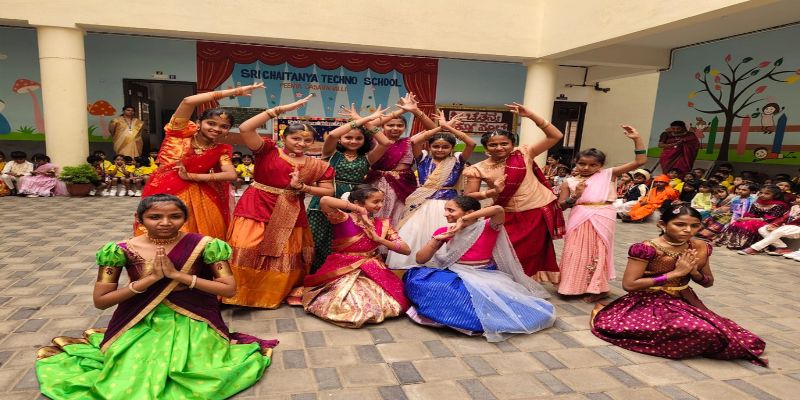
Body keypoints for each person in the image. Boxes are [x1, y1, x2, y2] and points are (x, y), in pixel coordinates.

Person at [35, 195, 277, 399]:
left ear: (185, 218)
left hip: (193, 319)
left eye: (175, 216)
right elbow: (101, 301)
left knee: (192, 366)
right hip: (140, 319)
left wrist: (177, 276)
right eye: (155, 217)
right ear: (139, 219)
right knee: (131, 366)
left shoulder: (206, 245)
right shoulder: (119, 250)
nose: (165, 223)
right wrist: (150, 279)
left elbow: (228, 289)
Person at [591, 205, 767, 367]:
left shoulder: (700, 247)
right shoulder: (647, 248)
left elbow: (708, 283)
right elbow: (629, 284)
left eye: (695, 226)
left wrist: (694, 272)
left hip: (684, 299)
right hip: (648, 301)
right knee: (695, 329)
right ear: (662, 224)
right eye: (680, 224)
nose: (688, 230)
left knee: (723, 332)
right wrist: (674, 274)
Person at [225, 96, 335, 309]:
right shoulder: (267, 150)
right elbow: (245, 128)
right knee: (246, 246)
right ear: (284, 137)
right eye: (296, 138)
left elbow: (328, 190)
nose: (301, 143)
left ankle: (271, 294)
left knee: (282, 254)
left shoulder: (317, 165)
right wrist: (279, 110)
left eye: (307, 140)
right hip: (256, 204)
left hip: (290, 210)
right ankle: (239, 292)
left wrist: (303, 188)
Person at [403, 197, 556, 341]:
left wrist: (462, 221)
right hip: (454, 273)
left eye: (451, 210)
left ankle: (465, 320)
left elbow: (498, 209)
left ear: (469, 213)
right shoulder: (445, 231)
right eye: (446, 210)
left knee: (471, 299)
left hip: (483, 275)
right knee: (417, 279)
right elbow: (420, 259)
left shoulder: (489, 227)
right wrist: (436, 240)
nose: (445, 214)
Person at [140, 85, 260, 238]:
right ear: (198, 123)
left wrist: (192, 176)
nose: (217, 128)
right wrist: (234, 92)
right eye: (211, 123)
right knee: (162, 231)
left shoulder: (220, 150)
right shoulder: (178, 134)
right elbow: (188, 101)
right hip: (165, 193)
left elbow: (230, 174)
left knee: (203, 235)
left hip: (201, 196)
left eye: (224, 126)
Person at [463, 103, 565, 283]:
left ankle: (526, 285)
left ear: (512, 144)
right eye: (493, 145)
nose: (499, 147)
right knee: (503, 250)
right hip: (505, 213)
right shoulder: (478, 168)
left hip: (535, 210)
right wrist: (493, 192)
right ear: (486, 148)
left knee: (531, 252)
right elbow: (470, 195)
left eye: (504, 143)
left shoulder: (524, 153)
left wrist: (531, 115)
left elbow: (555, 136)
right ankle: (505, 284)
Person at [557, 125, 647, 302]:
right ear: (575, 162)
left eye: (593, 165)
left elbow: (639, 162)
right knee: (574, 250)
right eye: (582, 163)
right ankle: (572, 286)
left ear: (601, 166)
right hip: (578, 215)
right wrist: (574, 197)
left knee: (598, 250)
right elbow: (561, 206)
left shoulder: (608, 175)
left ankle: (598, 288)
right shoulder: (569, 181)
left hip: (603, 214)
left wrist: (637, 139)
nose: (586, 168)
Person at [302, 187, 410, 327]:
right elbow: (325, 200)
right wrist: (360, 211)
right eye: (375, 201)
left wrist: (380, 240)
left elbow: (406, 250)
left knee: (393, 301)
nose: (380, 205)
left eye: (382, 201)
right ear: (358, 202)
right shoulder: (342, 218)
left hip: (372, 268)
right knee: (348, 303)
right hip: (343, 268)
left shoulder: (382, 224)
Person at [387, 110, 476, 269]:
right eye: (436, 146)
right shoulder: (423, 157)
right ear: (429, 146)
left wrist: (450, 129)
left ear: (452, 148)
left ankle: (442, 265)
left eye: (445, 147)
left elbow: (471, 144)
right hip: (422, 202)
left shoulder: (457, 160)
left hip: (448, 204)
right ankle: (411, 265)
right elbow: (414, 141)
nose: (440, 150)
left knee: (445, 233)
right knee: (414, 232)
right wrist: (441, 128)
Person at [307, 105, 391, 273]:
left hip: (355, 202)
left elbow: (386, 142)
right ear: (341, 139)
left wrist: (365, 122)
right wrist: (361, 120)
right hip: (326, 199)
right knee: (318, 240)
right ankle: (316, 275)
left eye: (358, 138)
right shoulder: (330, 153)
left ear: (365, 140)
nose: (353, 141)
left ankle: (340, 275)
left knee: (346, 240)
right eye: (348, 137)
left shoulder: (367, 158)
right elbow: (332, 134)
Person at [365, 93, 437, 226]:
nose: (395, 128)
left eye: (399, 125)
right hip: (376, 183)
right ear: (382, 126)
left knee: (400, 217)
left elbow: (434, 129)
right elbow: (365, 126)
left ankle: (395, 239)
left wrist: (415, 111)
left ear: (404, 128)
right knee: (376, 216)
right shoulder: (375, 140)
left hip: (404, 184)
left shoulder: (410, 141)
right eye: (390, 125)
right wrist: (401, 111)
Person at [715, 185, 787, 250]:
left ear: (775, 195)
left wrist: (750, 219)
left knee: (749, 224)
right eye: (761, 193)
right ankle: (731, 242)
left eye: (767, 194)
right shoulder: (757, 202)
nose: (762, 195)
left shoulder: (779, 205)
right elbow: (751, 214)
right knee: (736, 223)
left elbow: (771, 218)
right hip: (753, 220)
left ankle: (745, 244)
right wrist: (744, 218)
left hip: (769, 223)